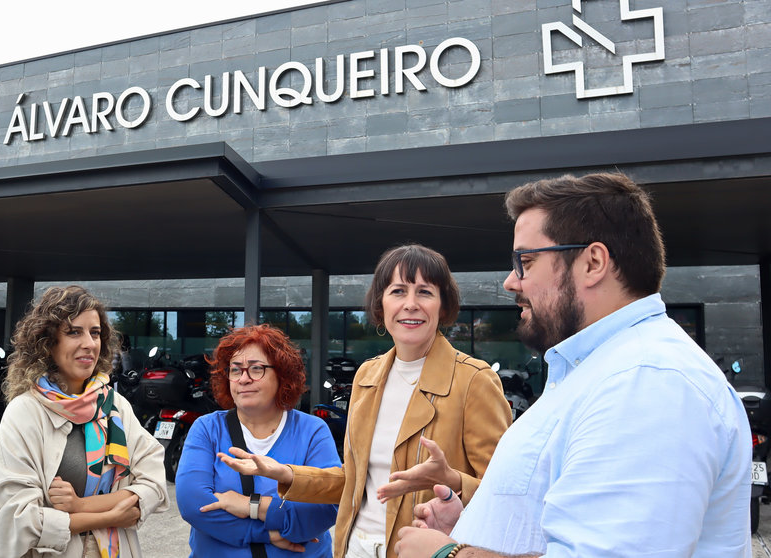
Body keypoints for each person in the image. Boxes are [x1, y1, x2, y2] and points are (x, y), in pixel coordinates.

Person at [395, 172, 753, 558]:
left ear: (593, 262)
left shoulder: (646, 382)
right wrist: (470, 529)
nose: (510, 282)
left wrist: (447, 555)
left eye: (526, 261)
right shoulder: (603, 371)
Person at [221, 244, 513, 558]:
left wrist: (451, 479)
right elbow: (354, 479)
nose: (410, 304)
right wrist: (286, 474)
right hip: (355, 546)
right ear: (381, 304)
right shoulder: (367, 376)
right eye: (398, 291)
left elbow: (507, 495)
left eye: (425, 292)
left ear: (443, 306)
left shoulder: (474, 380)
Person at [0, 285, 167, 558]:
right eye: (73, 332)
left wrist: (79, 506)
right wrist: (109, 515)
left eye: (95, 333)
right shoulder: (25, 413)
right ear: (47, 342)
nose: (89, 343)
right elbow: (17, 520)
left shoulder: (115, 406)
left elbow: (153, 487)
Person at [175, 324, 340, 557]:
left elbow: (323, 510)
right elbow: (194, 505)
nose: (244, 379)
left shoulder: (312, 431)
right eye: (235, 370)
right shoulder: (207, 428)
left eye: (256, 369)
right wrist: (269, 533)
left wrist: (249, 505)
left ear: (282, 375)